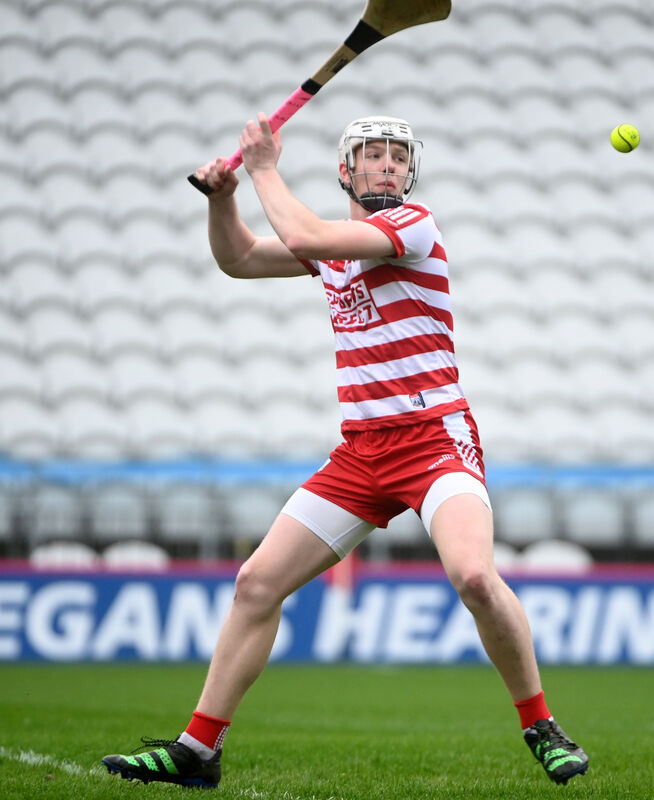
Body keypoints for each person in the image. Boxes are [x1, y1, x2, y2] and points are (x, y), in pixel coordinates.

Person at [102, 114, 588, 788]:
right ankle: (198, 751)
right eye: (374, 155)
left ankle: (541, 725)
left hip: (434, 441)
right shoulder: (330, 251)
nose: (388, 166)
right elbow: (238, 258)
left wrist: (263, 166)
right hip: (362, 453)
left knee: (474, 577)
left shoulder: (413, 225)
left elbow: (303, 231)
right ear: (346, 170)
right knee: (255, 585)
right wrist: (223, 199)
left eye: (397, 156)